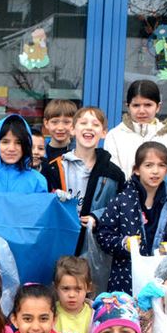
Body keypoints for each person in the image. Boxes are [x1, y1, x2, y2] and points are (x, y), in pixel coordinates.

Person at [96, 142, 167, 294]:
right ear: (136, 169)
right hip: (125, 278)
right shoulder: (121, 200)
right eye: (148, 165)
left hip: (162, 278)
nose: (155, 171)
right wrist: (123, 244)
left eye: (161, 165)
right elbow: (104, 235)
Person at [44, 106, 126, 255]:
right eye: (83, 123)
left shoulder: (114, 174)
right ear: (73, 129)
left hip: (94, 248)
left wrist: (98, 217)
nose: (89, 127)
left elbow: (119, 208)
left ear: (103, 133)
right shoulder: (54, 168)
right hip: (60, 242)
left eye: (95, 124)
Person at [104, 80, 167, 179]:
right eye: (136, 105)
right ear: (128, 107)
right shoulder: (115, 136)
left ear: (158, 107)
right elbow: (114, 175)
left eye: (148, 105)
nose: (142, 111)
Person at [53, 256, 94, 333]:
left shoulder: (94, 314)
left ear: (88, 288)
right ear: (56, 287)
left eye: (78, 289)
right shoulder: (50, 313)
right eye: (66, 289)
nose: (71, 295)